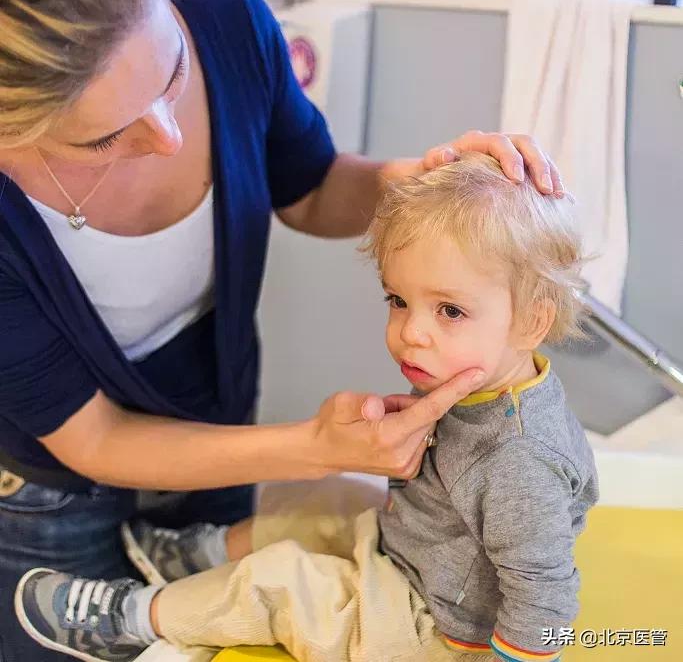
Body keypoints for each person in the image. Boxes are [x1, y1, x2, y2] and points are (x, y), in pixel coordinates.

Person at [0, 0, 565, 660]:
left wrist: (425, 183)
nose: (167, 135)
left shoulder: (225, 20)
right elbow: (95, 439)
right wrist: (319, 446)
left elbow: (311, 188)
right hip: (54, 493)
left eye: (172, 73)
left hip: (215, 422)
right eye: (104, 137)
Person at [17, 154, 599, 662]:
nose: (410, 333)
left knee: (282, 581)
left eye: (449, 311)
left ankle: (132, 619)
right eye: (398, 300)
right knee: (328, 499)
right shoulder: (485, 383)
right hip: (418, 559)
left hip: (434, 631)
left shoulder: (520, 459)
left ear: (532, 321)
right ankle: (195, 558)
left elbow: (545, 592)